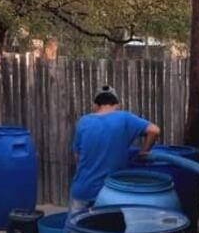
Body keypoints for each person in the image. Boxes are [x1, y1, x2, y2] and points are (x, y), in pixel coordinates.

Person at [69, 85, 161, 215]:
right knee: (109, 227)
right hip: (110, 194)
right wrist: (144, 152)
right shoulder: (124, 118)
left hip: (82, 190)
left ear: (96, 106)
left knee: (76, 226)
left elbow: (77, 156)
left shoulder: (83, 122)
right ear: (117, 105)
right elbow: (154, 130)